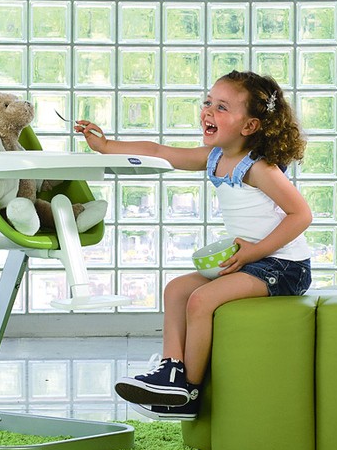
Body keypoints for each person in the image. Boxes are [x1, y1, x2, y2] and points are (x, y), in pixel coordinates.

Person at [74, 70, 313, 421]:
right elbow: (159, 152)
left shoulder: (260, 168)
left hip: (284, 267)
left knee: (201, 299)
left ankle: (189, 393)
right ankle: (171, 371)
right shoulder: (214, 156)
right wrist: (107, 146)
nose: (208, 111)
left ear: (250, 126)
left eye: (222, 107)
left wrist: (255, 251)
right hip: (251, 262)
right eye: (207, 102)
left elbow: (301, 215)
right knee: (176, 290)